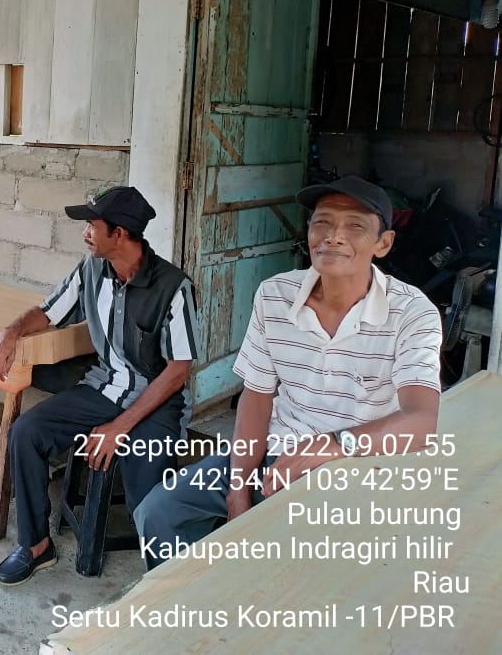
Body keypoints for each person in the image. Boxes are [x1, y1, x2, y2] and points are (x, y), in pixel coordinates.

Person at [135, 176, 442, 569]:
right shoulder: (274, 295)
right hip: (273, 456)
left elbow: (422, 421)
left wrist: (330, 446)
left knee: (301, 568)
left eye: (355, 226)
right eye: (322, 223)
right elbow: (257, 396)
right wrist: (238, 487)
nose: (333, 236)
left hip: (355, 470)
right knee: (159, 513)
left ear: (383, 244)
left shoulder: (411, 313)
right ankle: (192, 609)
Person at [0, 186, 198, 585]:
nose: (84, 232)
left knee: (149, 496)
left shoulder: (173, 287)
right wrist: (11, 332)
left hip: (157, 402)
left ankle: (168, 582)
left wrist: (119, 429)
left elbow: (176, 371)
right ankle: (35, 546)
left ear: (120, 234)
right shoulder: (91, 269)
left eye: (91, 225)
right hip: (105, 388)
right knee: (26, 433)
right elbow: (50, 313)